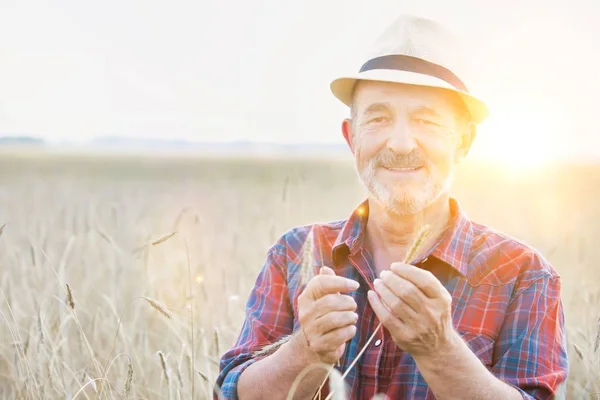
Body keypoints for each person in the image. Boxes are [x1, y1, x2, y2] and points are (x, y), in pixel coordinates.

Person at [216, 14, 568, 400]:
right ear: (352, 137)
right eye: (379, 118)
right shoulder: (295, 253)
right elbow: (231, 393)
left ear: (463, 141)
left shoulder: (523, 275)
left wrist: (441, 351)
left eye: (427, 121)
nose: (400, 143)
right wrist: (305, 350)